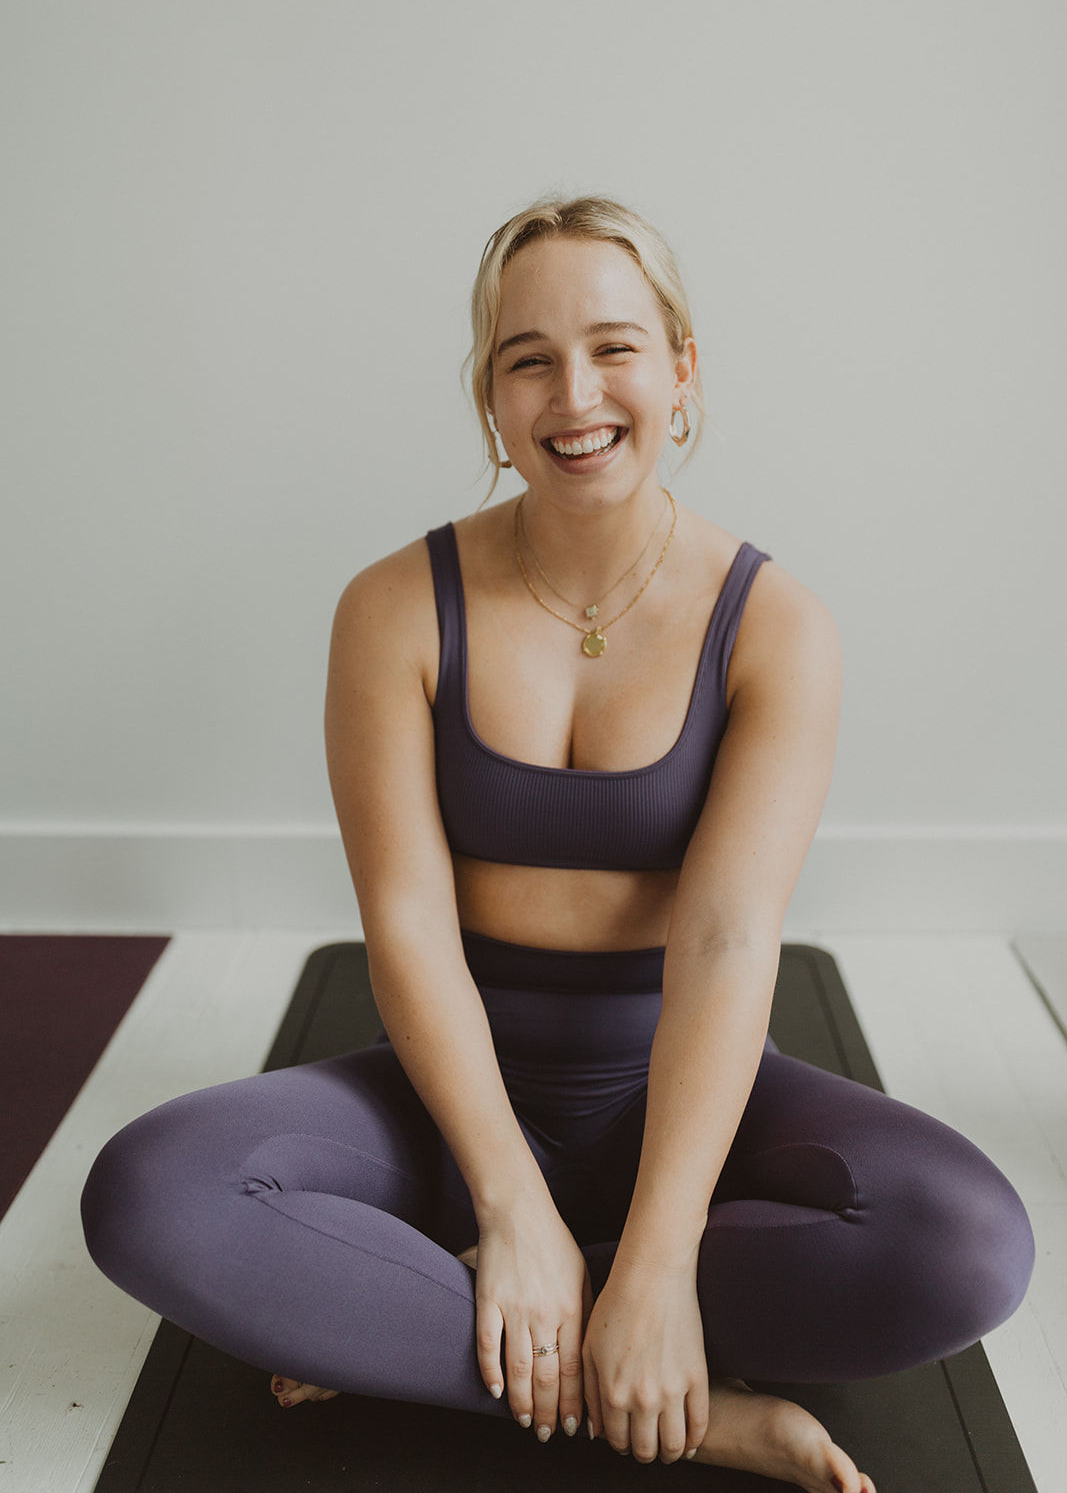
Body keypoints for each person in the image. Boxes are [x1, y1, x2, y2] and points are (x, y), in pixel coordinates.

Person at [82, 196, 1034, 1493]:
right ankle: (674, 1407)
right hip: (456, 1095)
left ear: (684, 369)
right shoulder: (393, 609)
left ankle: (441, 1319)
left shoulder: (776, 624)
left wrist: (657, 1257)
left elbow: (725, 936)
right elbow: (409, 925)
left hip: (685, 1088)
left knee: (969, 1247)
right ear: (490, 398)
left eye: (616, 346)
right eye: (528, 358)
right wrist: (509, 1203)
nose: (573, 392)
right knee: (154, 1194)